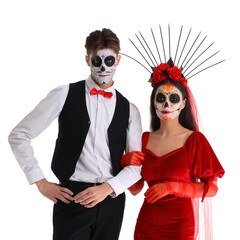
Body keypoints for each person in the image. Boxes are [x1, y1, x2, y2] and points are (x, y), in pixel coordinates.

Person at [8, 28, 143, 240]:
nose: (103, 68)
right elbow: (19, 135)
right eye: (97, 60)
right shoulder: (65, 94)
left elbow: (136, 166)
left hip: (112, 202)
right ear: (87, 60)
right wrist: (40, 182)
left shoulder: (130, 109)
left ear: (118, 60)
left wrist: (108, 188)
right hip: (72, 198)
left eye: (109, 61)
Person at [121, 58, 225, 240]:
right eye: (160, 98)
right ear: (153, 102)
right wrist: (124, 163)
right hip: (147, 225)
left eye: (173, 98)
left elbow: (212, 188)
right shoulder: (143, 139)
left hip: (181, 225)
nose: (166, 105)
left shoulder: (194, 140)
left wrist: (173, 187)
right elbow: (136, 189)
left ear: (183, 103)